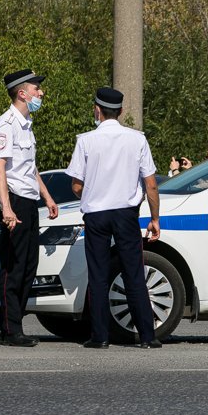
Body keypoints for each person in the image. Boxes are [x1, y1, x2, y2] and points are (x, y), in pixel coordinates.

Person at [66, 87, 162, 349]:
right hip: (126, 214)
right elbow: (151, 184)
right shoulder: (137, 139)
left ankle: (100, 336)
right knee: (133, 272)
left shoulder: (86, 140)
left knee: (98, 274)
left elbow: (76, 185)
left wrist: (94, 192)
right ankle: (147, 335)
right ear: (120, 111)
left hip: (96, 214)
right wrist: (155, 218)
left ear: (97, 110)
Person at [0, 69, 59, 347]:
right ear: (22, 93)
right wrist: (6, 208)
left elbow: (30, 168)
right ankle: (11, 330)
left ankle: (1, 326)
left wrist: (48, 197)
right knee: (14, 265)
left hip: (29, 200)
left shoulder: (26, 123)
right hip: (14, 200)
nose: (40, 93)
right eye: (36, 89)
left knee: (30, 265)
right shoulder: (6, 124)